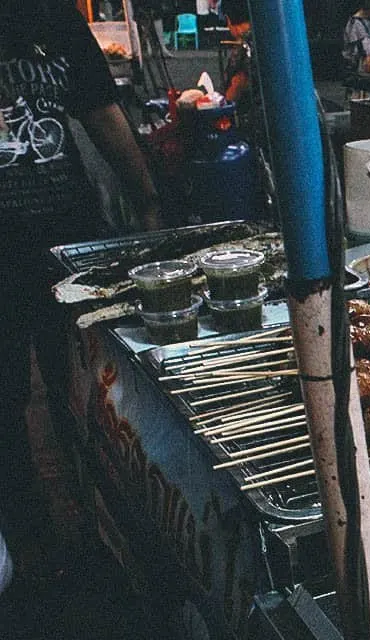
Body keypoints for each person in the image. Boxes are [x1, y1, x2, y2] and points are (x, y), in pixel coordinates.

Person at [0, 0, 160, 581]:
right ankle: (31, 539)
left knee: (89, 391)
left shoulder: (52, 18)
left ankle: (104, 523)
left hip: (69, 249)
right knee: (4, 402)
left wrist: (146, 204)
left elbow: (104, 116)